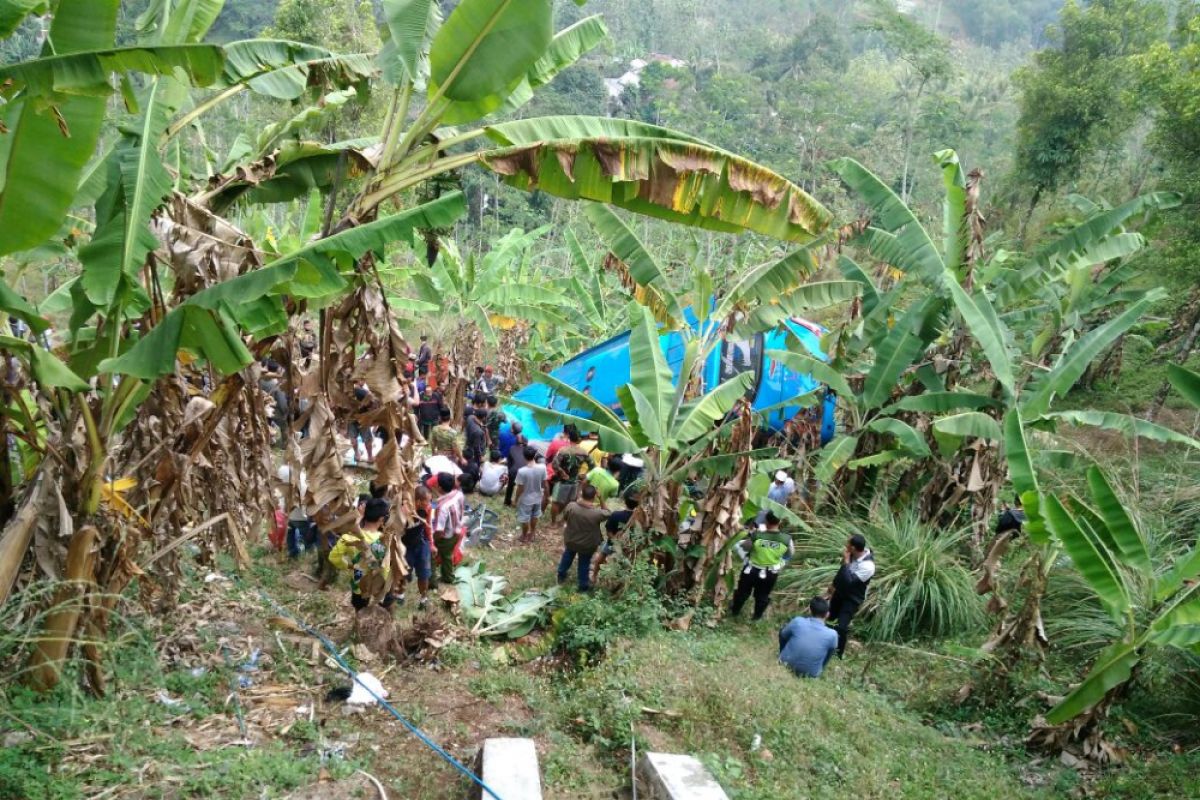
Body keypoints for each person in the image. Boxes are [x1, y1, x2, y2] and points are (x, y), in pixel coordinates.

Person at [328, 498, 394, 611]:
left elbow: (333, 558)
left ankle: (359, 625)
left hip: (359, 581)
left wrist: (348, 566)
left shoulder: (348, 537)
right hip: (380, 582)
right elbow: (388, 565)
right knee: (387, 606)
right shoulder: (386, 540)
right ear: (382, 519)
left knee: (360, 607)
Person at [729, 512, 794, 621]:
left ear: (766, 521)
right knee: (763, 596)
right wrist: (780, 561)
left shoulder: (757, 536)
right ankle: (756, 617)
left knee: (742, 592)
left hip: (751, 571)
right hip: (770, 573)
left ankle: (735, 611)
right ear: (780, 522)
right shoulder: (787, 539)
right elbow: (790, 554)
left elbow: (745, 547)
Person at [827, 533, 876, 658]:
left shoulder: (868, 566)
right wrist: (833, 585)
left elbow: (849, 581)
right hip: (840, 592)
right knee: (829, 617)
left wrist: (846, 562)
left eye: (848, 543)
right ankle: (823, 643)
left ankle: (838, 653)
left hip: (852, 598)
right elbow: (842, 573)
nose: (846, 545)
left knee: (841, 626)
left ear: (853, 547)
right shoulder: (852, 555)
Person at [557, 483, 610, 592]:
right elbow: (608, 513)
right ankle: (583, 586)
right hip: (587, 544)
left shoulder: (571, 506)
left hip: (571, 539)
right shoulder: (596, 513)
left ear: (582, 494)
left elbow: (565, 518)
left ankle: (561, 575)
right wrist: (601, 498)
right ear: (594, 496)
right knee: (584, 564)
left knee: (567, 556)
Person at [778, 597, 839, 678]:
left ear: (810, 610)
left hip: (784, 664)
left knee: (784, 630)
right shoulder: (832, 634)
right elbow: (829, 653)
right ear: (827, 614)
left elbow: (783, 635)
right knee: (831, 648)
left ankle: (784, 656)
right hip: (811, 674)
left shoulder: (798, 621)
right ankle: (818, 668)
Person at [550, 427, 594, 524]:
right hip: (575, 481)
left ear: (569, 438)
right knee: (569, 502)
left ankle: (553, 523)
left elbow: (554, 464)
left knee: (556, 502)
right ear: (579, 439)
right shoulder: (584, 452)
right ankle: (562, 522)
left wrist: (562, 472)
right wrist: (585, 475)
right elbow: (592, 465)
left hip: (562, 481)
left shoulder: (563, 450)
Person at [399, 486, 433, 608]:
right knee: (402, 573)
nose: (430, 503)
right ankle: (400, 595)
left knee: (424, 574)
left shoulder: (427, 510)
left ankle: (424, 598)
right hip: (405, 547)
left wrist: (431, 544)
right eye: (428, 501)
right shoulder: (403, 513)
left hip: (421, 545)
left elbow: (428, 527)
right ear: (418, 502)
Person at [592, 492, 638, 582]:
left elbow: (608, 530)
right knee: (622, 563)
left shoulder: (616, 515)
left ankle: (594, 576)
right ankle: (617, 581)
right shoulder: (636, 518)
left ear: (625, 502)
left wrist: (613, 541)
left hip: (611, 542)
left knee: (599, 559)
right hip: (626, 545)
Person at [432, 472, 465, 584]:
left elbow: (439, 530)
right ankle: (447, 576)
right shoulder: (458, 493)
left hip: (446, 536)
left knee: (434, 555)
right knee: (447, 556)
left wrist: (433, 541)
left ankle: (434, 581)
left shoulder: (442, 507)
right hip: (457, 530)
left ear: (439, 487)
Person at [513, 446, 547, 544]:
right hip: (538, 497)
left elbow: (520, 488)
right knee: (535, 516)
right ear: (535, 455)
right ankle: (532, 533)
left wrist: (516, 500)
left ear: (524, 456)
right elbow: (545, 483)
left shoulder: (522, 471)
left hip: (526, 499)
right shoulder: (542, 467)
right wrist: (546, 495)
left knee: (525, 518)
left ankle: (524, 535)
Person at [503, 423, 527, 506]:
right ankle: (518, 502)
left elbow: (509, 462)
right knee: (521, 486)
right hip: (524, 471)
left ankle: (507, 501)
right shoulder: (526, 450)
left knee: (510, 486)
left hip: (514, 470)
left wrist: (509, 472)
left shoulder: (512, 447)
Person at [464, 407, 488, 477]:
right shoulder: (478, 431)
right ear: (483, 418)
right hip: (474, 452)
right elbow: (476, 446)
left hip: (468, 443)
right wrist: (480, 456)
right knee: (473, 466)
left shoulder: (470, 417)